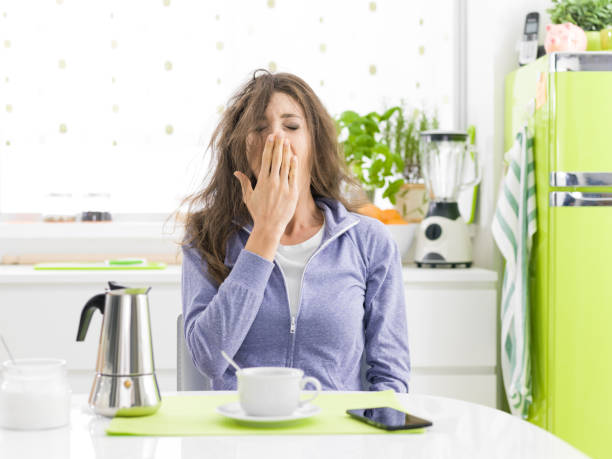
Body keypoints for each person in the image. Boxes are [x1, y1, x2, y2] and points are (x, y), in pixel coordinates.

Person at [181, 69, 410, 392]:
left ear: (314, 144)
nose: (276, 138)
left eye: (291, 126)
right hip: (241, 435)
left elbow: (390, 378)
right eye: (259, 128)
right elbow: (209, 358)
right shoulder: (206, 236)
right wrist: (265, 232)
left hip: (335, 435)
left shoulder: (369, 241)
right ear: (241, 150)